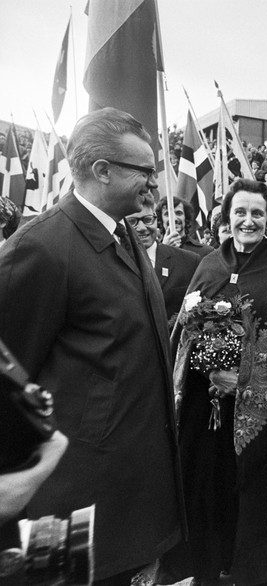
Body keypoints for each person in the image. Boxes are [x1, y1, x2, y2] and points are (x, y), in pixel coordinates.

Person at [0, 107, 184, 584]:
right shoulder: (40, 248)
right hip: (67, 500)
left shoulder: (121, 231)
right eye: (144, 170)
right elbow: (8, 381)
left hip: (124, 489)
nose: (154, 182)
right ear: (102, 171)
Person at [162, 178, 267, 586]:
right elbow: (185, 331)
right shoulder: (209, 265)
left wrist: (247, 379)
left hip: (263, 415)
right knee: (207, 484)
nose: (248, 221)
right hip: (207, 408)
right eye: (240, 212)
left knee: (256, 492)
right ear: (227, 216)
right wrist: (206, 368)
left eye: (257, 213)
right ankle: (209, 566)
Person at [128, 194, 201, 323]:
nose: (142, 228)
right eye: (133, 222)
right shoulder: (112, 262)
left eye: (147, 219)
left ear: (156, 220)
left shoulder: (189, 262)